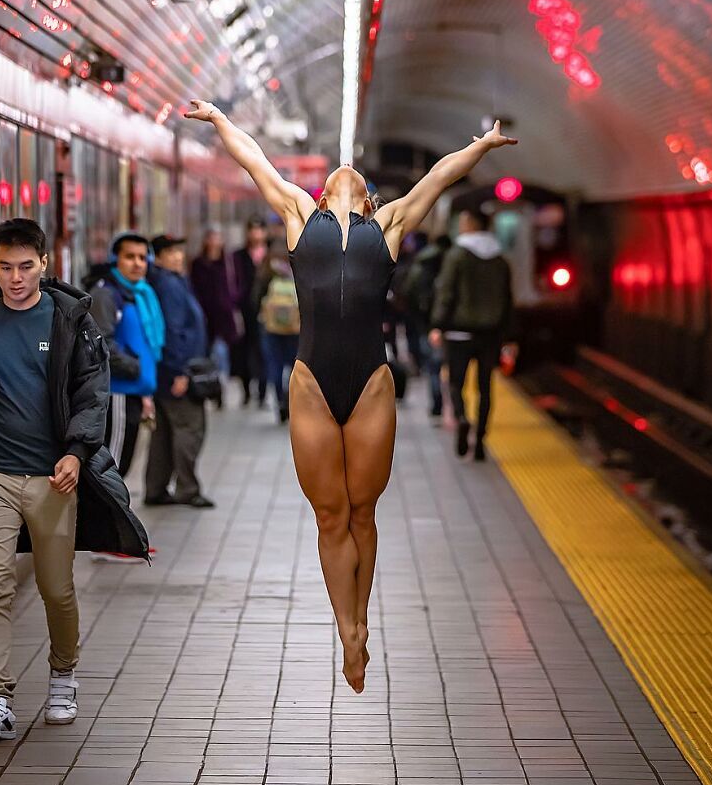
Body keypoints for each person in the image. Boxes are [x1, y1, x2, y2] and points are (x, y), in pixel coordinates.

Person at [186, 99, 516, 693]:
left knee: (362, 510)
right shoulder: (294, 214)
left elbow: (440, 175)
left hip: (370, 383)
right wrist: (217, 120)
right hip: (311, 382)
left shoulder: (388, 225)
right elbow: (254, 161)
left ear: (367, 198)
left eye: (354, 175)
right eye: (334, 176)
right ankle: (348, 630)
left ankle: (360, 618)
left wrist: (483, 147)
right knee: (331, 513)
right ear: (318, 195)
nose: (343, 173)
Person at [0, 218, 148, 743]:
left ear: (45, 265)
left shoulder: (71, 319)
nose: (15, 277)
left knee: (56, 588)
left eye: (26, 266)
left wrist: (76, 453)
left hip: (53, 479)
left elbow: (91, 392)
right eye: (5, 267)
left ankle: (63, 676)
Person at [430, 209, 514, 462]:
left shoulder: (457, 256)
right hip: (490, 334)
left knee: (455, 383)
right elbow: (508, 300)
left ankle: (463, 418)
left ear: (470, 224)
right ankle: (480, 440)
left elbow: (446, 293)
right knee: (485, 387)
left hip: (458, 333)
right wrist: (510, 337)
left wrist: (437, 325)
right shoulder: (500, 260)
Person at [84, 232, 164, 479]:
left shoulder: (140, 293)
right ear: (115, 259)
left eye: (142, 257)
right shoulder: (106, 294)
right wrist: (135, 368)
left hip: (134, 391)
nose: (137, 263)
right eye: (130, 257)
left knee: (123, 461)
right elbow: (101, 343)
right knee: (113, 466)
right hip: (117, 392)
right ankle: (109, 515)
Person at [145, 235, 214, 508]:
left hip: (165, 371)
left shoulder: (167, 281)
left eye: (178, 252)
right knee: (189, 428)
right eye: (170, 253)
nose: (177, 257)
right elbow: (173, 332)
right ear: (158, 258)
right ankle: (187, 488)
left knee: (162, 433)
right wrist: (180, 371)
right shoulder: (169, 284)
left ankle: (156, 487)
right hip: (176, 372)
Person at [190, 225, 241, 409]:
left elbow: (236, 286)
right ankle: (213, 386)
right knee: (208, 354)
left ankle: (219, 389)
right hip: (204, 318)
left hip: (224, 318)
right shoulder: (198, 263)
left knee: (221, 354)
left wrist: (231, 302)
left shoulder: (228, 262)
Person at [252, 238, 301, 423]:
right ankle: (291, 400)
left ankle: (280, 400)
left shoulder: (266, 271)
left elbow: (255, 299)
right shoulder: (297, 268)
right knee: (293, 365)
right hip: (294, 329)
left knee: (275, 365)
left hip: (271, 328)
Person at [404, 234, 452, 418]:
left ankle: (436, 404)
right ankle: (458, 409)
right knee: (448, 367)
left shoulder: (421, 263)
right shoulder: (452, 262)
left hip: (425, 324)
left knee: (433, 366)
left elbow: (409, 291)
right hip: (451, 326)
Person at [231, 216, 269, 407]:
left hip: (267, 310)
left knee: (264, 350)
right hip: (245, 309)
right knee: (244, 350)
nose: (256, 234)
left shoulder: (272, 254)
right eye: (252, 230)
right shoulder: (238, 256)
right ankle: (246, 390)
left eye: (259, 229)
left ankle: (262, 392)